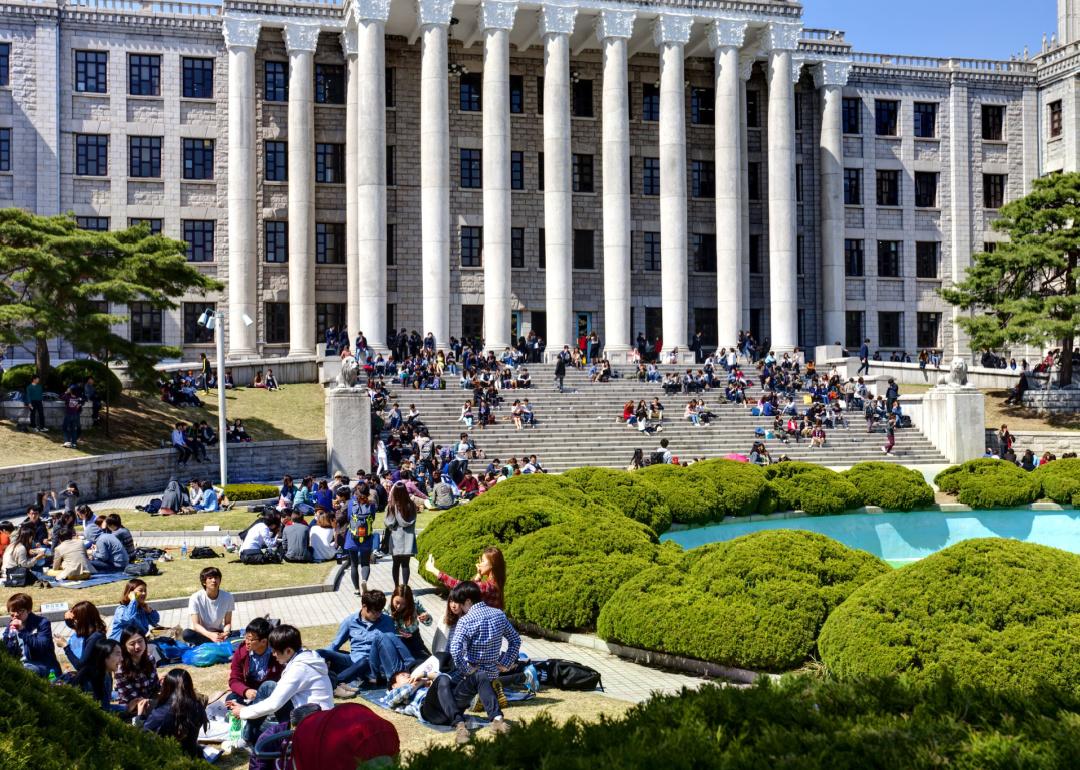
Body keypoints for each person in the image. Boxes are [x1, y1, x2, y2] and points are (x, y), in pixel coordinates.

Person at [227, 625, 335, 742]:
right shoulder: (306, 656)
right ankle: (253, 732)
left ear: (288, 650)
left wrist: (243, 712)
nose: (273, 654)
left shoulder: (299, 668)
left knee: (268, 687)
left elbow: (274, 703)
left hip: (309, 723)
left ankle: (249, 735)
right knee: (268, 689)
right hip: (317, 717)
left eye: (275, 651)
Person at [447, 581, 518, 738]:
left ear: (468, 601)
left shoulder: (466, 620)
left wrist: (466, 669)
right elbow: (515, 640)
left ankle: (471, 709)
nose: (459, 608)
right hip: (493, 671)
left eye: (460, 604)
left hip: (473, 673)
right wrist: (505, 664)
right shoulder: (499, 614)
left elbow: (454, 649)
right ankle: (495, 715)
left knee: (448, 689)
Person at [317, 591, 415, 696]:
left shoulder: (387, 621)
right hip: (353, 660)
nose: (378, 615)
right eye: (374, 612)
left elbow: (389, 646)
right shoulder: (350, 621)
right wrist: (322, 657)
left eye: (380, 611)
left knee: (365, 661)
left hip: (373, 665)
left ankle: (333, 684)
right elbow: (335, 645)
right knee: (320, 652)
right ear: (364, 606)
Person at [227, 618, 285, 743]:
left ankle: (253, 723)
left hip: (271, 696)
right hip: (249, 696)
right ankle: (254, 717)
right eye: (246, 638)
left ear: (264, 641)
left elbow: (283, 680)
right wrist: (245, 691)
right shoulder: (242, 652)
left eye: (251, 639)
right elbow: (234, 679)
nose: (247, 642)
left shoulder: (277, 654)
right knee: (230, 701)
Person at [143, 669, 209, 757]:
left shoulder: (162, 711)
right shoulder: (197, 705)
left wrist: (140, 715)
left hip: (167, 759)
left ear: (167, 687)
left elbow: (143, 736)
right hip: (192, 756)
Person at [426, 545, 506, 611]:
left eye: (483, 561)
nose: (480, 564)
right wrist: (478, 575)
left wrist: (433, 570)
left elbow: (461, 586)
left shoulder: (489, 587)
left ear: (492, 564)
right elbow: (471, 587)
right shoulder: (495, 583)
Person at [3, 593, 61, 677]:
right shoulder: (11, 625)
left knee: (22, 672)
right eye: (12, 612)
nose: (15, 614)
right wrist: (10, 637)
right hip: (20, 663)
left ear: (29, 610)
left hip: (41, 665)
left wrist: (23, 630)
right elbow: (6, 648)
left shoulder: (42, 623)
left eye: (20, 611)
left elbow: (42, 645)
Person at [116, 628, 160, 717]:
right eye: (132, 644)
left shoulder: (150, 659)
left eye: (140, 641)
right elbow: (131, 699)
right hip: (133, 706)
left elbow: (155, 686)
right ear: (124, 646)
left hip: (149, 699)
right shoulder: (121, 669)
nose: (137, 646)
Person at [184, 566, 234, 645]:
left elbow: (227, 623)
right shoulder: (195, 598)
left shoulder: (228, 597)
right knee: (187, 634)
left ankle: (216, 643)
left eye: (216, 577)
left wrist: (226, 633)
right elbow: (196, 625)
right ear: (204, 582)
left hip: (219, 633)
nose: (214, 580)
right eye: (210, 578)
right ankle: (215, 644)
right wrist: (210, 635)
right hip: (203, 634)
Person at [56, 600, 107, 676]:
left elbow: (80, 666)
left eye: (76, 619)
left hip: (96, 682)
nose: (74, 622)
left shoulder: (95, 638)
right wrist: (67, 618)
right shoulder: (92, 632)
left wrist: (65, 646)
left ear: (83, 620)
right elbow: (73, 626)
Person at [74, 637, 125, 711]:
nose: (122, 659)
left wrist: (127, 707)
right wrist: (127, 709)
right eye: (118, 654)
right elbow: (100, 713)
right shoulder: (90, 679)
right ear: (104, 656)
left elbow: (105, 707)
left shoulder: (106, 674)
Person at [344, 486, 377, 595]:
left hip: (352, 536)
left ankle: (357, 589)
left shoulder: (351, 503)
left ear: (357, 493)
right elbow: (372, 518)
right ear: (368, 493)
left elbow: (349, 517)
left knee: (353, 564)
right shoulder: (371, 504)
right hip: (366, 537)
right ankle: (364, 580)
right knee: (365, 563)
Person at [384, 482, 418, 588]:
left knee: (396, 564)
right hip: (408, 538)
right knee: (405, 565)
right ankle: (405, 586)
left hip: (396, 538)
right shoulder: (411, 505)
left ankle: (396, 587)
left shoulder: (392, 506)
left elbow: (389, 523)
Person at [390, 584, 432, 661]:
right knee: (409, 660)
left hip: (415, 636)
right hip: (398, 639)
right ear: (393, 596)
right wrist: (398, 632)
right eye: (397, 602)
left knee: (427, 659)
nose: (399, 606)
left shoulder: (414, 603)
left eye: (403, 604)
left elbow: (429, 623)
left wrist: (426, 617)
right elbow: (385, 629)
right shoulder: (387, 608)